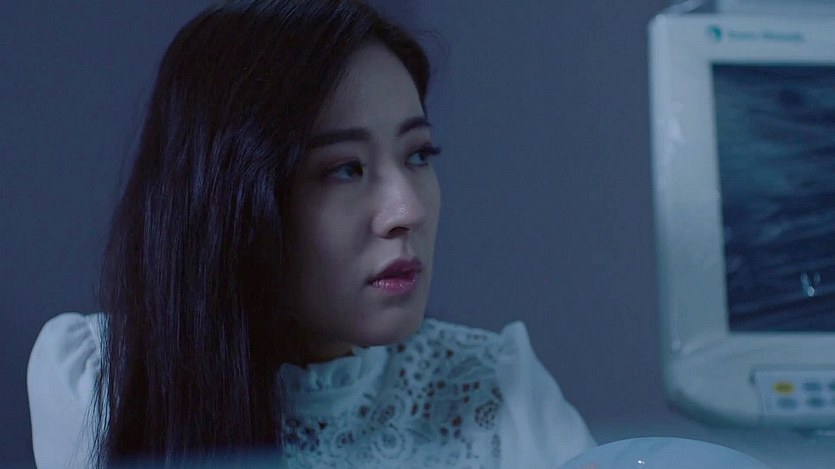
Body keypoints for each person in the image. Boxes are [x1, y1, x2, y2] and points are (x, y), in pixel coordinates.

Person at [27, 1, 596, 467]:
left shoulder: (498, 386)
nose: (407, 211)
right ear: (233, 200)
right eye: (345, 168)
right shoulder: (99, 376)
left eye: (418, 154)